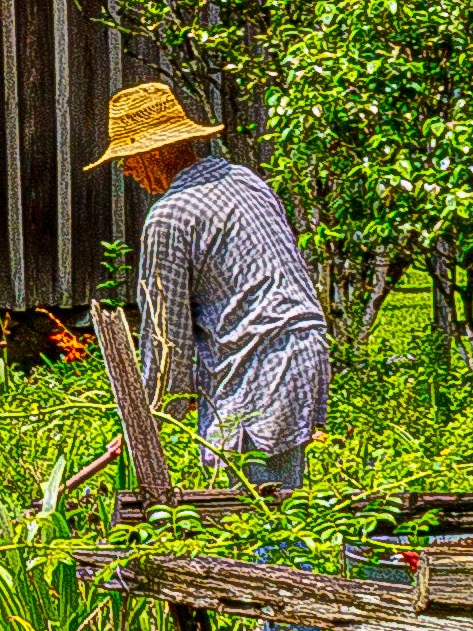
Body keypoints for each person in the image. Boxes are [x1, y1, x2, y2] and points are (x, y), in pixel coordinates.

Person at [109, 79, 329, 493]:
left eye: (128, 157)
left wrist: (146, 419)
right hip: (303, 349)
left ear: (154, 152)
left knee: (259, 508)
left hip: (261, 362)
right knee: (278, 498)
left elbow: (165, 335)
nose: (125, 169)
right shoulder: (244, 179)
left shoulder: (169, 217)